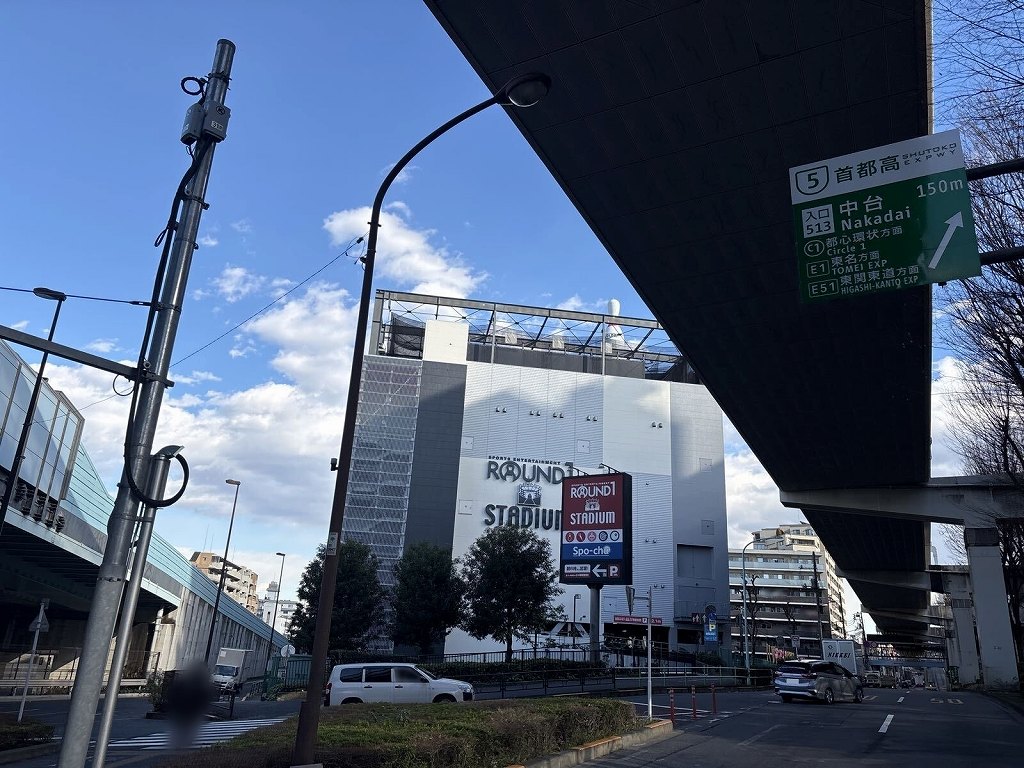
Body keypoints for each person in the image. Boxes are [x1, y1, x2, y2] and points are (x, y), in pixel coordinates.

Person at [165, 661, 213, 749]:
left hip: (180, 707)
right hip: (192, 709)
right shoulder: (202, 684)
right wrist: (202, 708)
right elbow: (204, 697)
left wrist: (172, 704)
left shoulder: (184, 681)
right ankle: (184, 740)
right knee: (188, 725)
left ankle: (179, 740)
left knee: (181, 724)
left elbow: (172, 692)